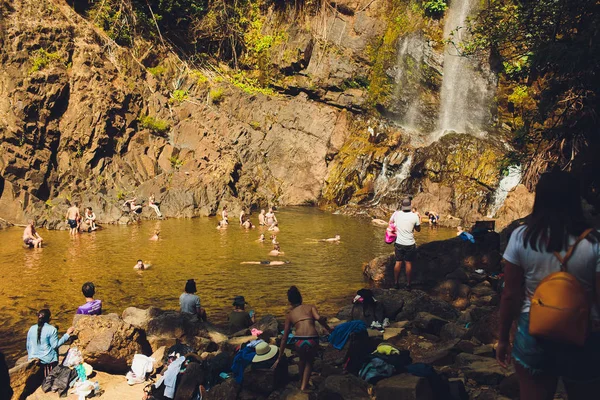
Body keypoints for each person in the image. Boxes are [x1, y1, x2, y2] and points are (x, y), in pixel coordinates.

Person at [497, 171, 600, 400]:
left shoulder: (521, 236)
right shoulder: (594, 241)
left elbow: (510, 295)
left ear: (540, 198)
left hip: (534, 330)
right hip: (584, 331)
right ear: (576, 199)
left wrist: (503, 338)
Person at [273, 286, 332, 391]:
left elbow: (284, 337)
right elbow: (319, 318)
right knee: (309, 362)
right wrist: (329, 329)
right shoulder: (310, 307)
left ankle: (302, 383)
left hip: (299, 340)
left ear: (290, 301)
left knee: (302, 360)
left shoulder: (290, 314)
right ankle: (303, 387)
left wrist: (279, 356)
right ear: (301, 298)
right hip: (312, 338)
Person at [27, 309, 74, 377]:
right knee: (49, 379)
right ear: (50, 318)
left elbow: (28, 345)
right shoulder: (52, 329)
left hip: (32, 357)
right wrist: (67, 334)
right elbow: (55, 345)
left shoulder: (31, 328)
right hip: (47, 360)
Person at [389, 198, 420, 290]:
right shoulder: (415, 216)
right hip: (410, 243)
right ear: (410, 206)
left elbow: (391, 223)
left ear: (402, 206)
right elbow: (418, 229)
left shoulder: (396, 214)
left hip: (399, 243)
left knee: (398, 262)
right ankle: (408, 284)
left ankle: (396, 283)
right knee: (408, 263)